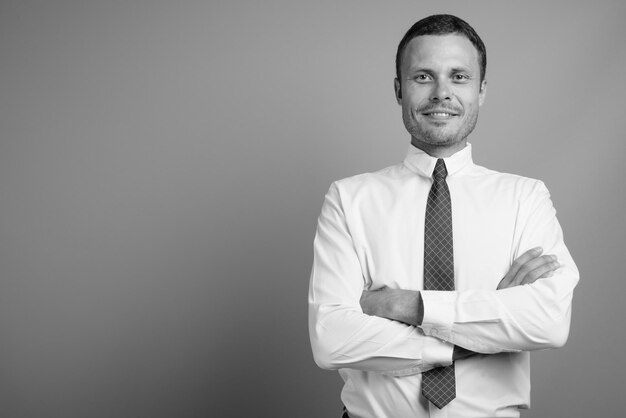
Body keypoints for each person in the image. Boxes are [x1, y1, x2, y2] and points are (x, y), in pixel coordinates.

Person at [308, 14, 579, 418]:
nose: (441, 93)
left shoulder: (526, 198)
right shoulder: (349, 199)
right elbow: (332, 340)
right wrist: (487, 325)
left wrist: (412, 308)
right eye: (422, 77)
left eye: (458, 77)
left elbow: (549, 322)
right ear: (399, 90)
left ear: (481, 90)